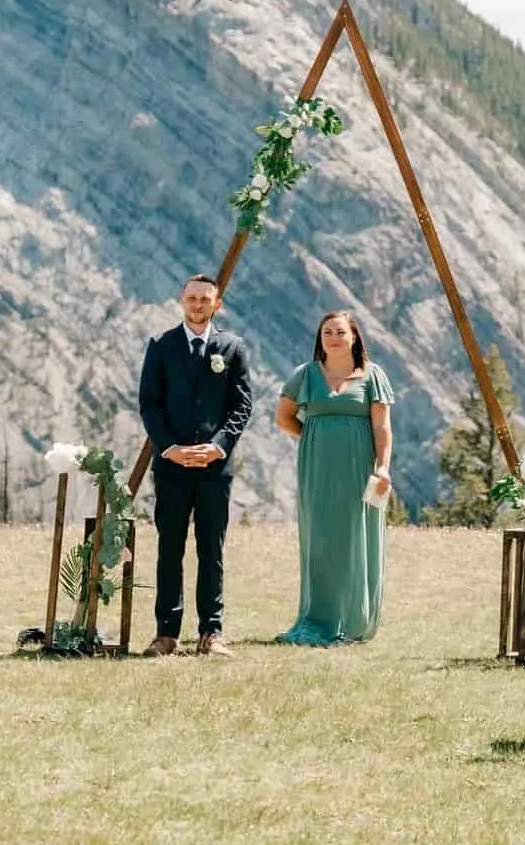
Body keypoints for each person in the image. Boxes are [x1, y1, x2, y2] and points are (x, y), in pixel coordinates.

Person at [136, 274, 254, 656]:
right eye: (192, 298)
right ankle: (166, 634)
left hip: (214, 469)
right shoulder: (161, 346)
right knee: (170, 548)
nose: (198, 304)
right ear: (181, 301)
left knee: (211, 550)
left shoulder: (232, 348)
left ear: (217, 304)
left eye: (205, 299)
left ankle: (211, 633)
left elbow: (242, 406)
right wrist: (169, 448)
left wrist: (218, 447)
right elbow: (149, 404)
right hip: (172, 467)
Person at [274, 310, 393, 645]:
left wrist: (383, 467)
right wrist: (314, 437)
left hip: (360, 469)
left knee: (355, 537)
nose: (334, 338)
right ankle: (318, 618)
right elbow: (283, 417)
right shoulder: (305, 374)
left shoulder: (372, 375)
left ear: (354, 337)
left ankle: (353, 620)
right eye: (327, 332)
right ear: (320, 338)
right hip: (317, 469)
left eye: (340, 332)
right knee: (320, 539)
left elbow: (382, 427)